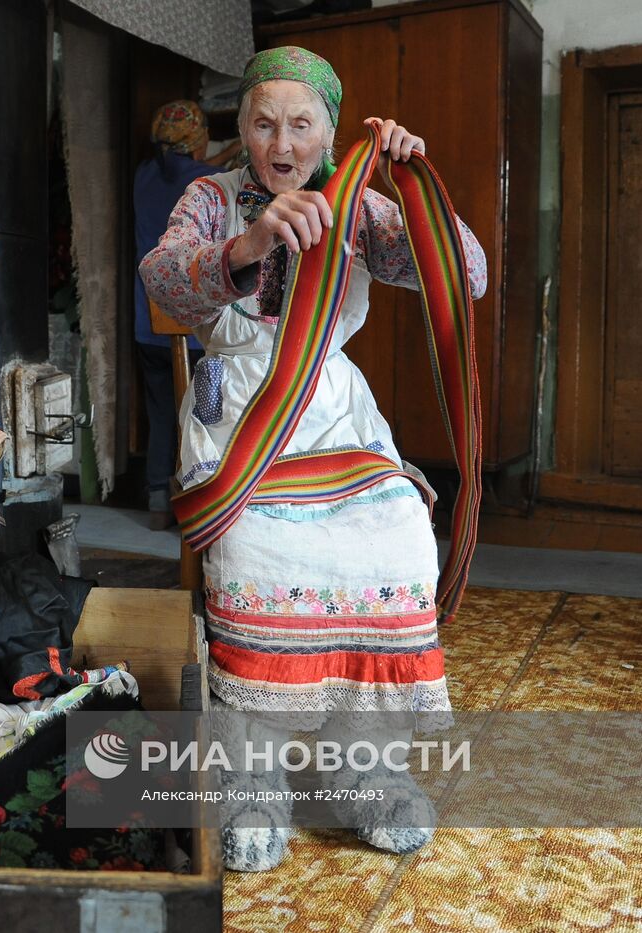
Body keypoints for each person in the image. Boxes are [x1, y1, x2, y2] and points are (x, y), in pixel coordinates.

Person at [140, 47, 488, 869]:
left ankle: (363, 767)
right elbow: (162, 281)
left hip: (331, 409)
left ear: (330, 131)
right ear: (243, 128)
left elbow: (465, 274)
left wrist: (410, 181)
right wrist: (248, 242)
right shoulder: (211, 198)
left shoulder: (356, 204)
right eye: (263, 122)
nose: (281, 140)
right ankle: (252, 779)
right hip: (241, 413)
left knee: (399, 532)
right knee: (257, 545)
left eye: (301, 123)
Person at [133, 101, 239, 530]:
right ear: (197, 141)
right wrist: (231, 152)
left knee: (161, 413)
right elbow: (200, 170)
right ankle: (203, 501)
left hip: (149, 323)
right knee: (204, 416)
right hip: (194, 327)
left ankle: (158, 500)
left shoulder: (143, 177)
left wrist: (216, 154)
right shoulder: (207, 185)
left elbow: (186, 165)